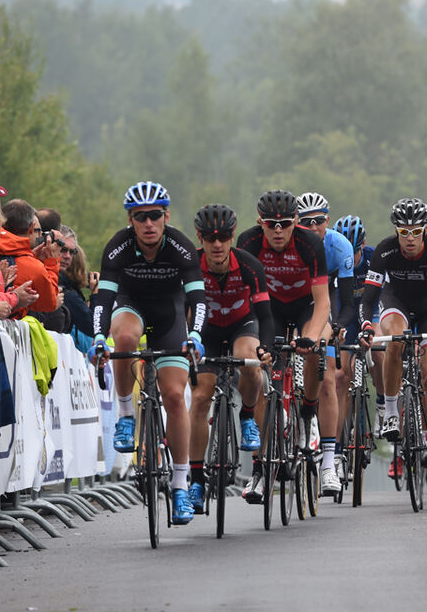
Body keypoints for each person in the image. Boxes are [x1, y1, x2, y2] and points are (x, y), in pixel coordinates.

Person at [88, 181, 207, 525]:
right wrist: (99, 337)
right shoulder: (118, 247)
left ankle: (181, 486)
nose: (149, 223)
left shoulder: (181, 247)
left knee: (174, 396)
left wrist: (196, 335)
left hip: (170, 316)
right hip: (132, 308)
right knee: (124, 338)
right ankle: (127, 415)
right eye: (140, 217)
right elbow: (103, 300)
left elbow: (198, 299)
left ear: (166, 216)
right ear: (130, 220)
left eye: (155, 215)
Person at [236, 190, 335, 498]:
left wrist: (312, 337)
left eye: (285, 224)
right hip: (270, 310)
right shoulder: (248, 242)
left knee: (316, 348)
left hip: (306, 306)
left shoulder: (310, 243)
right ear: (260, 223)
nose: (278, 230)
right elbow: (244, 297)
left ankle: (307, 413)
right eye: (270, 224)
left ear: (295, 221)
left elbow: (323, 302)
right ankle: (259, 471)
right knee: (263, 380)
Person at [358, 198, 427, 486]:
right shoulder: (385, 251)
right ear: (396, 231)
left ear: (424, 230)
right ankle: (391, 412)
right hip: (397, 302)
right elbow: (367, 301)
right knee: (396, 340)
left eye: (416, 232)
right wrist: (366, 325)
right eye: (404, 232)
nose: (410, 239)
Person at [187, 204, 273, 513]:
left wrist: (265, 348)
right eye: (210, 238)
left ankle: (247, 416)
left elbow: (265, 314)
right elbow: (180, 309)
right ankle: (197, 480)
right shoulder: (191, 265)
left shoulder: (249, 265)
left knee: (248, 360)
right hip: (206, 331)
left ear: (232, 236)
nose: (217, 244)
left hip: (242, 325)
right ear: (199, 237)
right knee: (200, 397)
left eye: (223, 237)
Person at [295, 193, 356, 484]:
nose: (313, 227)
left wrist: (338, 326)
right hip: (295, 298)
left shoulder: (340, 246)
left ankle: (329, 464)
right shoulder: (290, 244)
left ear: (327, 220)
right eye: (306, 222)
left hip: (324, 300)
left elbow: (347, 301)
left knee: (329, 376)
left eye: (318, 221)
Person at [333, 214, 387, 438]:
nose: (349, 257)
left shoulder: (373, 258)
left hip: (372, 309)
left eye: (354, 251)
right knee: (340, 376)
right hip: (345, 313)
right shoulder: (332, 261)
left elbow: (386, 294)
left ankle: (383, 403)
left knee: (378, 348)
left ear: (363, 245)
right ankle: (338, 441)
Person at [0, 199, 63, 320]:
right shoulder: (34, 268)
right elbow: (50, 302)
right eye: (39, 231)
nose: (40, 235)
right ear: (31, 228)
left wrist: (31, 256)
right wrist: (52, 262)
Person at [57, 225, 98, 349]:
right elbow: (94, 327)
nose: (68, 256)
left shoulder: (69, 289)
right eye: (63, 249)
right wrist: (96, 294)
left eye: (72, 252)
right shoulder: (67, 292)